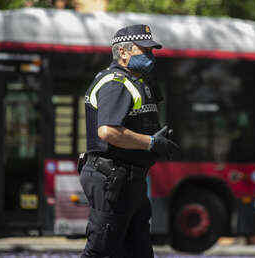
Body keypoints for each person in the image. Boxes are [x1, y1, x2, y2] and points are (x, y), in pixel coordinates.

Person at [79, 24, 180, 258]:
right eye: (144, 51)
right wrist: (150, 143)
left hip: (129, 179)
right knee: (101, 251)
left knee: (138, 252)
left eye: (151, 51)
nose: (150, 56)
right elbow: (108, 132)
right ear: (123, 52)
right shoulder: (116, 83)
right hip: (112, 179)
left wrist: (156, 140)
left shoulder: (137, 81)